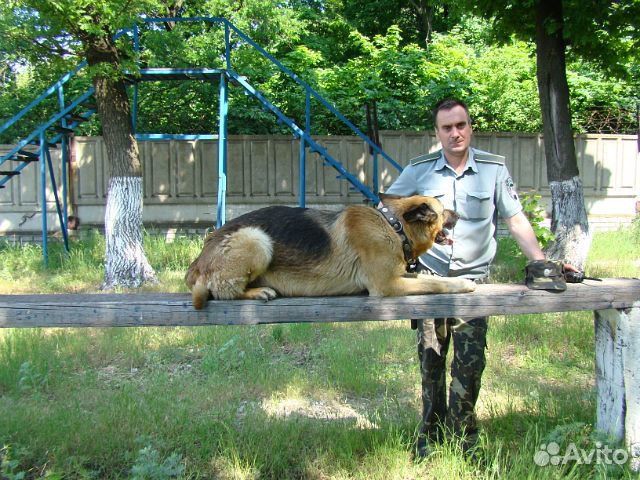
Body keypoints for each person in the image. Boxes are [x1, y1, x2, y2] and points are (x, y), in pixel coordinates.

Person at [383, 98, 575, 458]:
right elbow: (387, 211)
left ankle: (465, 438)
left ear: (470, 126)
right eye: (447, 127)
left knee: (469, 365)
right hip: (429, 281)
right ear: (437, 132)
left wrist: (541, 261)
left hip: (473, 285)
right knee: (430, 360)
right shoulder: (419, 170)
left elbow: (515, 219)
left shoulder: (493, 169)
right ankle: (429, 436)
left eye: (461, 125)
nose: (455, 133)